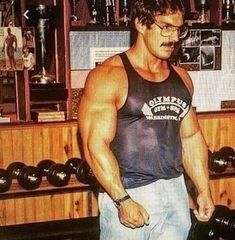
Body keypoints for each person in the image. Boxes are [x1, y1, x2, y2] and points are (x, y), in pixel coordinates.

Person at [78, 0, 215, 239]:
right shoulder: (109, 76)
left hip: (174, 192)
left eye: (179, 29)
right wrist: (122, 199)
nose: (174, 37)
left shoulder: (182, 78)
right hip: (130, 193)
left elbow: (191, 137)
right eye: (166, 27)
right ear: (141, 24)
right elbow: (94, 145)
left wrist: (203, 189)